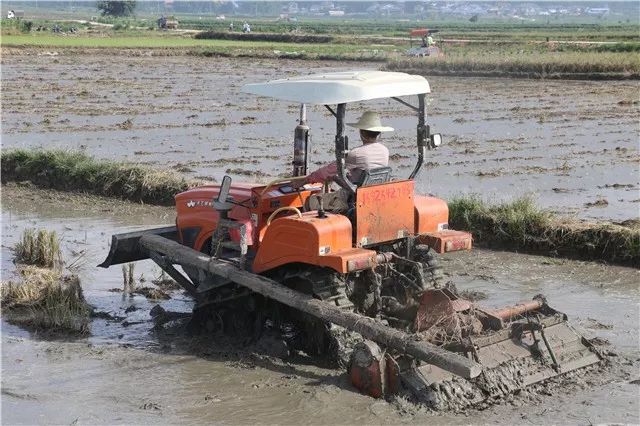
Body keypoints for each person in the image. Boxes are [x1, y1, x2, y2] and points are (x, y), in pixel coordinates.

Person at [302, 111, 392, 212]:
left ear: (361, 132)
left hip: (352, 199)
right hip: (374, 196)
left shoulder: (356, 153)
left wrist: (305, 180)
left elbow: (328, 171)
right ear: (379, 134)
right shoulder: (385, 151)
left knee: (310, 201)